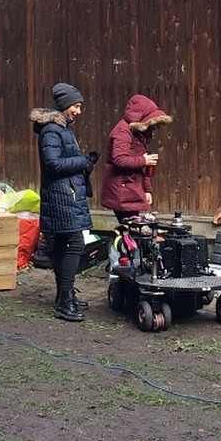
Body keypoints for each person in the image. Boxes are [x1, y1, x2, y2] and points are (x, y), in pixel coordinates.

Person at [30, 82, 97, 322]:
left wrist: (84, 162)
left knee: (60, 247)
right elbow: (53, 164)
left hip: (65, 195)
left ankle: (63, 296)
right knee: (75, 244)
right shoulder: (51, 130)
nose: (78, 111)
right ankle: (65, 299)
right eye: (76, 106)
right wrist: (82, 162)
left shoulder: (63, 128)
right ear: (65, 105)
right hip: (61, 197)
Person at [100, 94, 172, 222]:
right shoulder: (122, 132)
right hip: (121, 190)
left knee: (133, 228)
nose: (153, 129)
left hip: (131, 188)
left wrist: (147, 190)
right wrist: (144, 160)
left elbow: (141, 168)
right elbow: (119, 159)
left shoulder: (139, 134)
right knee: (130, 230)